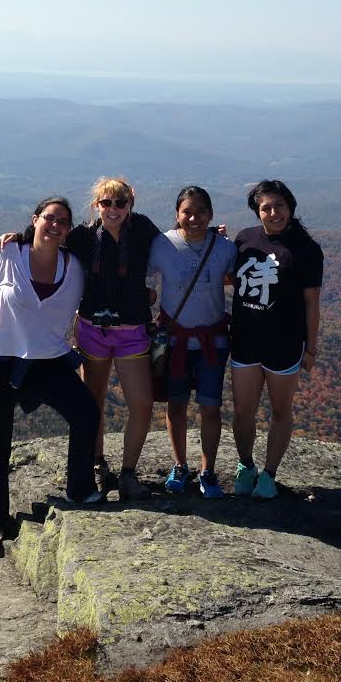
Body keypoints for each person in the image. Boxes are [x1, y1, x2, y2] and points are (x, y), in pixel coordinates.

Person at [0, 196, 101, 551]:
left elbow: (81, 309)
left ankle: (79, 489)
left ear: (68, 230)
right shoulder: (5, 256)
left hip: (47, 361)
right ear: (35, 220)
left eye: (63, 222)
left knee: (86, 413)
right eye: (49, 218)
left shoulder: (73, 268)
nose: (55, 226)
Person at [0, 177, 161, 500]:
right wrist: (19, 238)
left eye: (120, 203)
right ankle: (97, 465)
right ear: (96, 206)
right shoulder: (84, 237)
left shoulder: (142, 230)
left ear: (130, 205)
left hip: (132, 332)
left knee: (141, 402)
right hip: (92, 330)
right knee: (92, 402)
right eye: (106, 203)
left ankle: (128, 473)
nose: (113, 209)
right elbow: (49, 241)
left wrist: (210, 238)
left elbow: (174, 245)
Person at [229, 179, 323, 501]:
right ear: (257, 211)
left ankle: (269, 474)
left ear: (290, 206)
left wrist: (311, 348)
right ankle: (246, 465)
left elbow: (312, 302)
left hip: (284, 344)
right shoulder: (245, 239)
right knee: (243, 411)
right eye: (265, 207)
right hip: (245, 340)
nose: (273, 213)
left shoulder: (306, 250)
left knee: (281, 411)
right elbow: (233, 278)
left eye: (279, 205)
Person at [148, 185, 237, 498]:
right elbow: (139, 275)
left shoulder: (225, 248)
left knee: (211, 408)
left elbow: (236, 279)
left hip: (212, 341)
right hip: (175, 342)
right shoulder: (162, 244)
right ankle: (180, 465)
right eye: (187, 211)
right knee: (177, 405)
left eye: (201, 212)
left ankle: (208, 470)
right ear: (177, 215)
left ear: (211, 215)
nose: (194, 217)